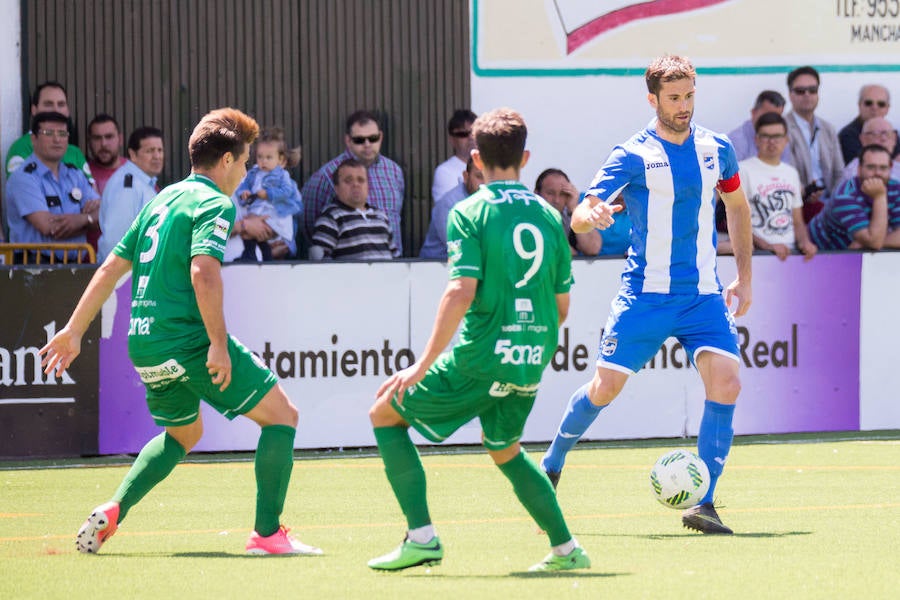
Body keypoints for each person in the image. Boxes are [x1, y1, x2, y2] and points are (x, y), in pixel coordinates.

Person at [38, 107, 322, 557]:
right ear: (226, 160)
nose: (246, 170)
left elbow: (111, 266)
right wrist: (218, 344)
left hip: (145, 342)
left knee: (184, 435)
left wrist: (74, 331)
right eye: (245, 160)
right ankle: (267, 534)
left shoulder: (161, 200)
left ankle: (114, 508)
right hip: (186, 340)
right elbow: (204, 272)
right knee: (283, 417)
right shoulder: (214, 202)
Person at [367, 107, 590, 573]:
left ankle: (422, 537)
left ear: (476, 159)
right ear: (525, 157)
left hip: (482, 357)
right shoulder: (552, 216)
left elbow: (459, 291)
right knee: (505, 448)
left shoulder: (469, 211)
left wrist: (422, 363)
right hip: (530, 358)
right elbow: (563, 306)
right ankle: (567, 550)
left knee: (385, 413)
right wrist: (531, 346)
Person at [540, 55, 753, 536]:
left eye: (689, 96)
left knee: (727, 383)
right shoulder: (632, 153)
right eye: (674, 98)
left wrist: (745, 276)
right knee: (605, 389)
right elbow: (583, 210)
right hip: (645, 297)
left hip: (702, 296)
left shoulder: (717, 148)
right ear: (653, 99)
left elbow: (737, 207)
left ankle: (706, 503)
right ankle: (551, 463)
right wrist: (586, 218)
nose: (683, 106)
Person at [301, 110, 405, 254]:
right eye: (359, 140)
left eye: (373, 138)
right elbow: (308, 226)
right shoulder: (326, 175)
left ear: (381, 137)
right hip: (346, 271)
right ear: (348, 140)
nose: (367, 144)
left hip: (391, 269)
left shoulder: (394, 171)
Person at [5, 111, 100, 262]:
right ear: (34, 139)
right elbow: (50, 228)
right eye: (48, 133)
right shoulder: (23, 178)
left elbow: (103, 216)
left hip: (75, 265)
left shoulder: (75, 174)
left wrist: (81, 220)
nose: (57, 139)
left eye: (62, 133)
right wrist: (89, 221)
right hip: (32, 266)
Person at [740, 112, 817, 260]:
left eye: (777, 136)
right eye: (766, 136)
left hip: (791, 253)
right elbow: (735, 221)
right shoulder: (743, 170)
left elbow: (797, 220)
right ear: (756, 140)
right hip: (757, 254)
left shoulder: (791, 173)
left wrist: (805, 242)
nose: (772, 142)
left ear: (786, 140)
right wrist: (767, 246)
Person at [807, 144, 900, 251]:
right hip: (817, 253)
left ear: (891, 168)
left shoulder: (896, 188)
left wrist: (870, 243)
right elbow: (874, 242)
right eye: (871, 167)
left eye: (883, 168)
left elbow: (875, 243)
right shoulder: (845, 195)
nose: (877, 173)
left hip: (852, 252)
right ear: (859, 169)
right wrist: (880, 197)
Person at [784, 66, 844, 223]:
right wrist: (806, 192)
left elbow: (839, 173)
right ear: (790, 94)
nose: (807, 95)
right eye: (800, 91)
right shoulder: (782, 128)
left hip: (829, 202)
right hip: (797, 204)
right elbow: (785, 173)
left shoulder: (828, 128)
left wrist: (835, 202)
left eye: (812, 90)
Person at [5, 81, 94, 185]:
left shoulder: (75, 153)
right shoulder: (21, 148)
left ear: (67, 111)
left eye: (61, 104)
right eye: (48, 104)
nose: (56, 110)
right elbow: (22, 190)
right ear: (34, 110)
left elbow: (92, 195)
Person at [97, 126, 165, 262]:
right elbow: (116, 240)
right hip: (125, 277)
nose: (157, 156)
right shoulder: (127, 185)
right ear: (133, 154)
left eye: (160, 150)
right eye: (150, 151)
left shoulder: (141, 182)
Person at [308, 158, 398, 260]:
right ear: (336, 188)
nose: (356, 184)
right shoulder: (330, 218)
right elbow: (319, 263)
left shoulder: (381, 217)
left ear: (368, 186)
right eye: (348, 181)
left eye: (361, 180)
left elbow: (396, 258)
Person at [234, 127, 302, 261]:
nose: (263, 161)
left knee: (255, 234)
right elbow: (215, 230)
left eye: (268, 157)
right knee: (252, 234)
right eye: (260, 157)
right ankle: (256, 255)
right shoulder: (254, 173)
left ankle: (256, 256)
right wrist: (244, 192)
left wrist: (269, 194)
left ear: (281, 161)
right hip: (257, 213)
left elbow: (288, 193)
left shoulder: (282, 176)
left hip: (273, 214)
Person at [419, 156, 483, 259]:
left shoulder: (491, 200)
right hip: (433, 268)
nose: (485, 183)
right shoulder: (450, 204)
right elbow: (457, 248)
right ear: (466, 177)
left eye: (489, 177)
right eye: (479, 176)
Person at [534, 168, 601, 255]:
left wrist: (574, 209)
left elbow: (593, 249)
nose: (556, 200)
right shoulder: (530, 217)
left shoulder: (570, 214)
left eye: (562, 194)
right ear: (537, 193)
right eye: (550, 193)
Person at [833, 117, 900, 194]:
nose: (883, 139)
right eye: (876, 134)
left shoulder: (896, 166)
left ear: (894, 139)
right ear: (863, 139)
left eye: (887, 134)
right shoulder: (855, 172)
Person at [837, 84, 896, 164]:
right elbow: (863, 166)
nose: (874, 108)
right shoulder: (847, 136)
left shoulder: (891, 132)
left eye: (881, 104)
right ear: (859, 105)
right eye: (868, 103)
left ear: (887, 108)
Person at [727, 90, 788, 162]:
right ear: (753, 113)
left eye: (777, 117)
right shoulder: (736, 141)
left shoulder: (783, 138)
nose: (772, 121)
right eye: (767, 116)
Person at [431, 109, 477, 203]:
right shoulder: (444, 172)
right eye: (463, 134)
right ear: (452, 139)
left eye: (474, 133)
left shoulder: (491, 167)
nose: (470, 138)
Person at [86, 114, 127, 193]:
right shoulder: (80, 175)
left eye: (109, 137)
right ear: (89, 142)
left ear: (120, 139)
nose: (103, 144)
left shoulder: (138, 171)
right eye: (97, 138)